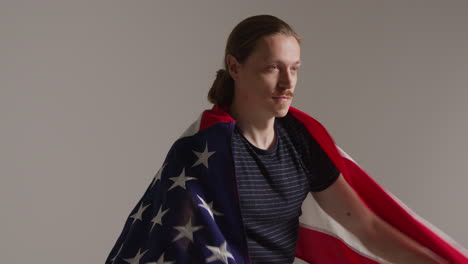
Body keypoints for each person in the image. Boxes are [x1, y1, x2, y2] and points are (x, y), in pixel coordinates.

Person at [106, 15, 465, 264]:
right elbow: (175, 247)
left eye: (294, 69)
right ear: (235, 67)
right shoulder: (202, 150)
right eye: (272, 68)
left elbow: (364, 226)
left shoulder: (300, 139)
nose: (287, 83)